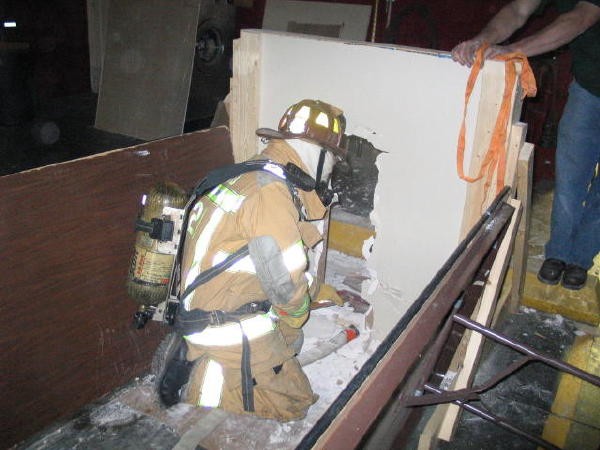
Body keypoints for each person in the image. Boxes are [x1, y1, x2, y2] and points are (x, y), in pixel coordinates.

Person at [154, 99, 346, 421]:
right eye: (332, 162)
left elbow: (277, 260)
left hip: (210, 301)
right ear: (316, 153)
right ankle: (203, 384)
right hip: (221, 322)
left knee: (290, 339)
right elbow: (285, 286)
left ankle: (202, 352)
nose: (330, 171)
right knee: (294, 402)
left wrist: (315, 291)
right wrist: (299, 311)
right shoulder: (270, 193)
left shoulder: (253, 173)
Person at [452, 0, 600, 290]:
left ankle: (580, 260)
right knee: (570, 176)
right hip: (589, 86)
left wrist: (514, 50)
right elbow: (517, 10)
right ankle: (558, 255)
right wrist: (483, 40)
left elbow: (581, 18)